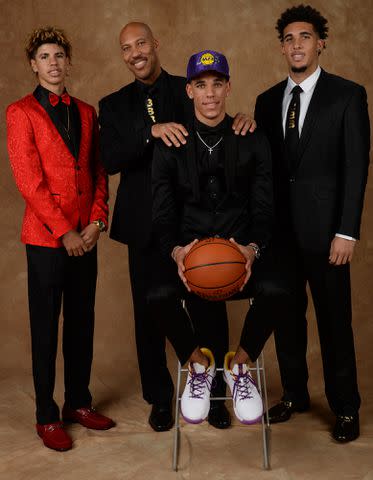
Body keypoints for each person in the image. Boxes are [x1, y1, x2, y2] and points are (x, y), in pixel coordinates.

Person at [99, 22, 255, 431]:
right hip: (141, 225)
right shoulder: (113, 104)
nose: (136, 53)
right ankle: (160, 398)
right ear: (123, 55)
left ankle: (217, 394)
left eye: (142, 44)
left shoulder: (186, 88)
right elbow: (110, 158)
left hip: (191, 220)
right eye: (127, 48)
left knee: (208, 304)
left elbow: (213, 122)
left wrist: (241, 121)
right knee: (149, 313)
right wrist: (150, 133)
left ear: (155, 45)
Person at [151, 49, 293, 425]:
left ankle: (239, 366)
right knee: (155, 294)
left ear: (229, 87)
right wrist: (177, 251)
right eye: (201, 85)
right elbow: (163, 212)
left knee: (281, 288)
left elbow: (265, 208)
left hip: (239, 255)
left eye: (217, 84)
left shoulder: (250, 136)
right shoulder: (171, 142)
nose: (210, 93)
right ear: (189, 91)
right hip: (192, 255)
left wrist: (251, 249)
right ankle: (199, 366)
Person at [254, 4, 370, 442]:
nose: (296, 45)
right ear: (282, 47)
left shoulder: (347, 95)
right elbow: (264, 170)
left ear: (321, 42)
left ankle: (345, 407)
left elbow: (356, 167)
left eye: (305, 37)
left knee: (334, 323)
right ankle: (295, 394)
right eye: (288, 38)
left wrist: (347, 230)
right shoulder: (266, 102)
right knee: (287, 319)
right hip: (280, 237)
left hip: (328, 236)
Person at [6, 26, 114, 452]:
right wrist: (65, 231)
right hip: (47, 240)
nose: (53, 63)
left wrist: (96, 224)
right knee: (45, 328)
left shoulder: (87, 112)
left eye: (59, 56)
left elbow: (98, 173)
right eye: (45, 57)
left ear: (68, 62)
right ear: (34, 65)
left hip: (85, 237)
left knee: (82, 322)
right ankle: (46, 415)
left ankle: (78, 402)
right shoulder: (21, 113)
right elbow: (29, 183)